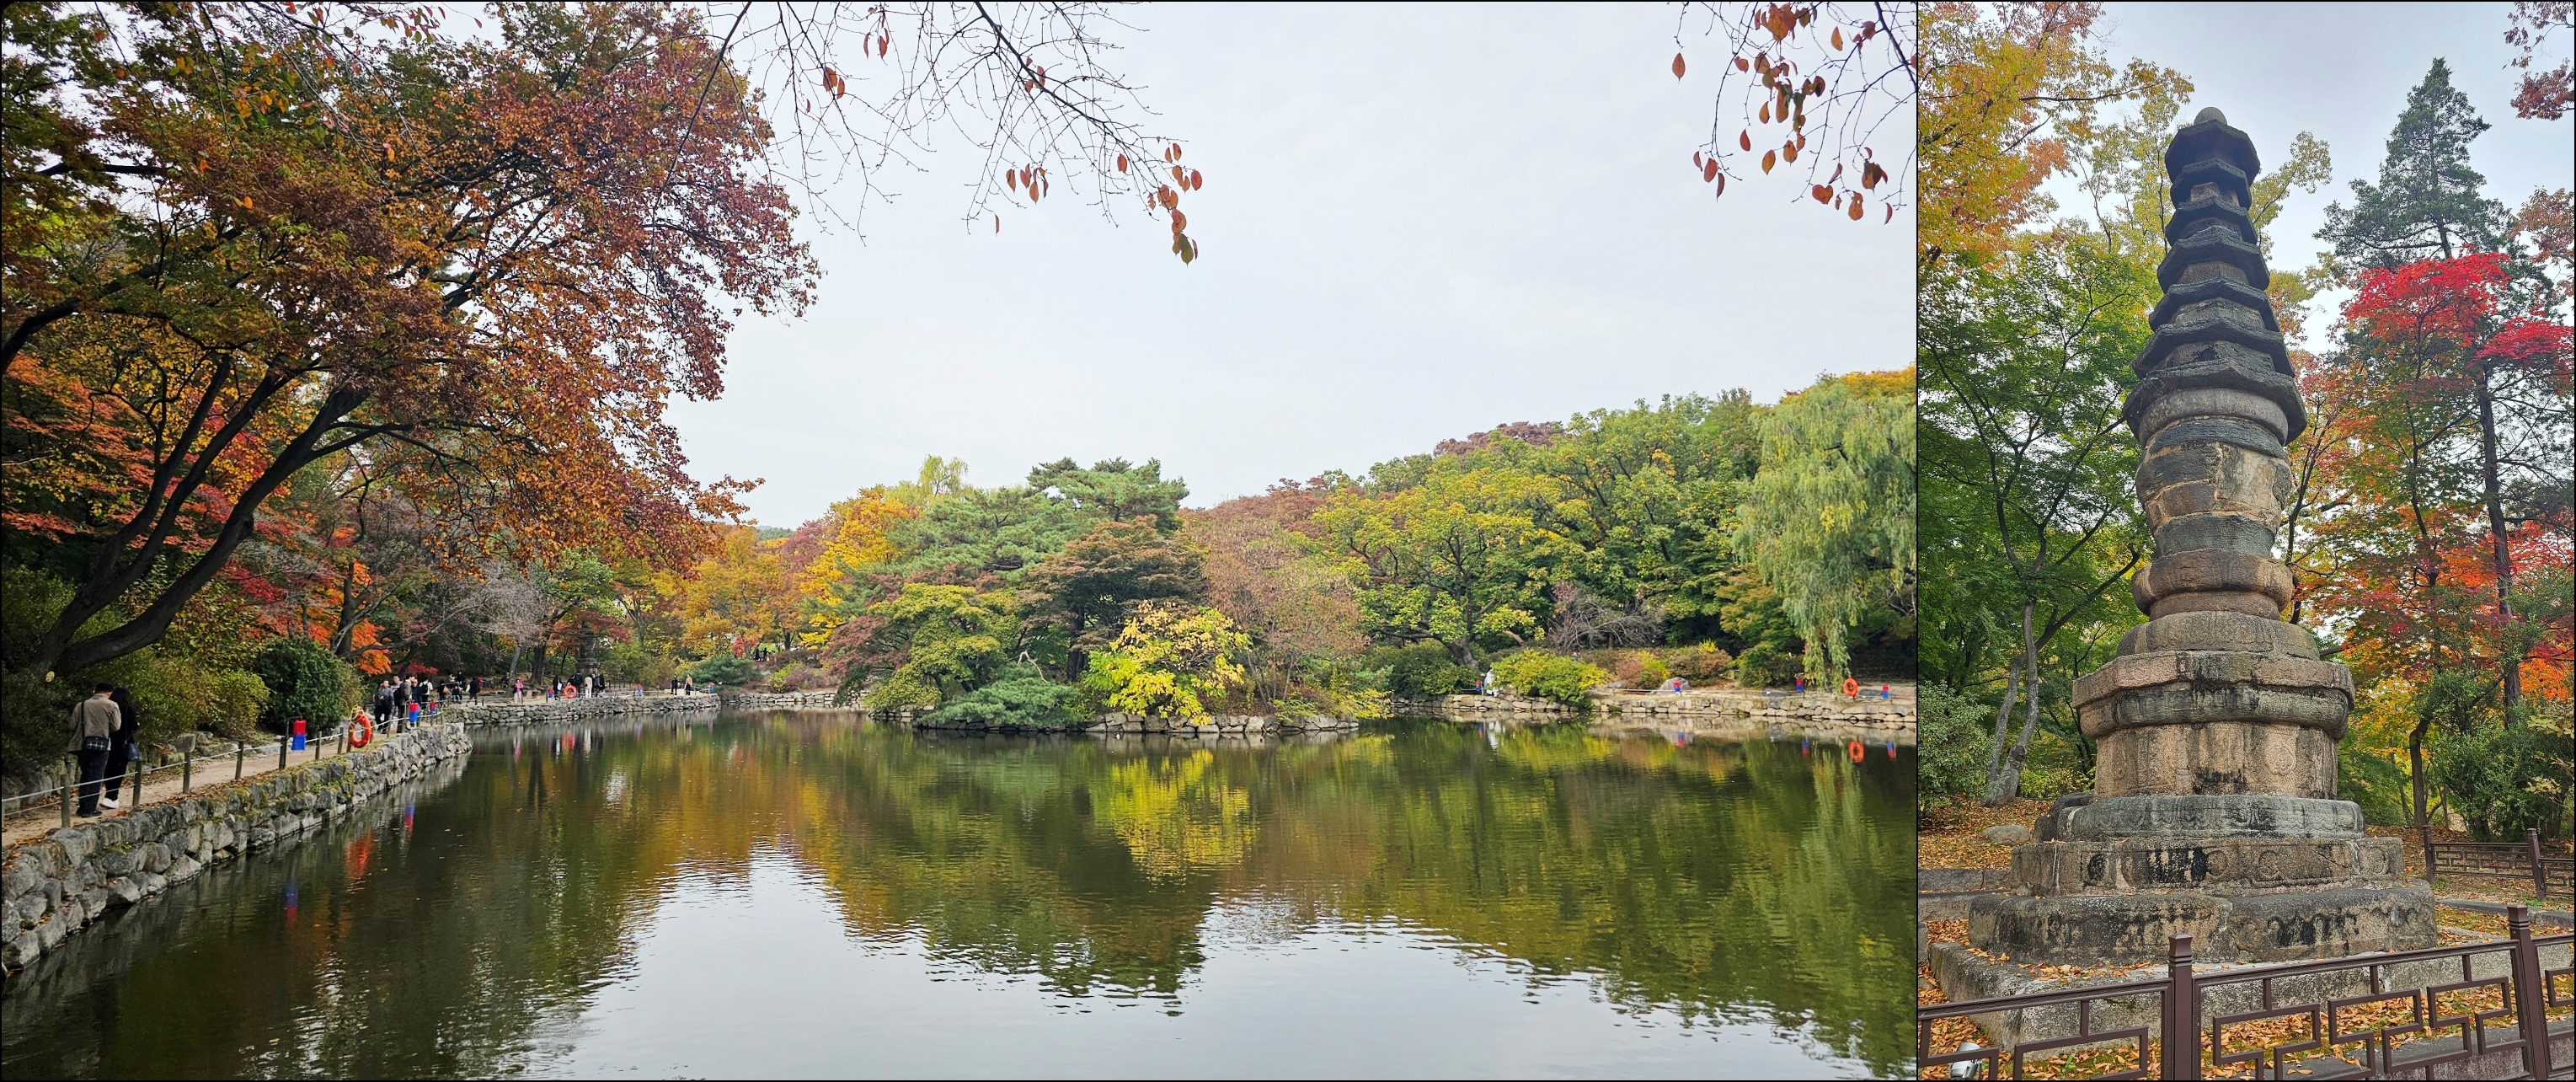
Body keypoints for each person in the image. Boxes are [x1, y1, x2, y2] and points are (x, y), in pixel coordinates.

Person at [67, 684, 120, 817]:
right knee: (96, 776)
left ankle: (82, 805)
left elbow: (72, 725)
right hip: (102, 744)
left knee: (85, 774)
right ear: (109, 693)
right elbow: (116, 726)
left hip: (83, 744)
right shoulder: (111, 705)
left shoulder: (82, 705)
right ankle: (90, 808)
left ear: (94, 691)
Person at [99, 687, 139, 810]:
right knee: (119, 770)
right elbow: (133, 726)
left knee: (108, 769)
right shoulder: (127, 709)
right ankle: (111, 797)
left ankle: (111, 796)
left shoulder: (108, 707)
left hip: (108, 742)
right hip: (122, 744)